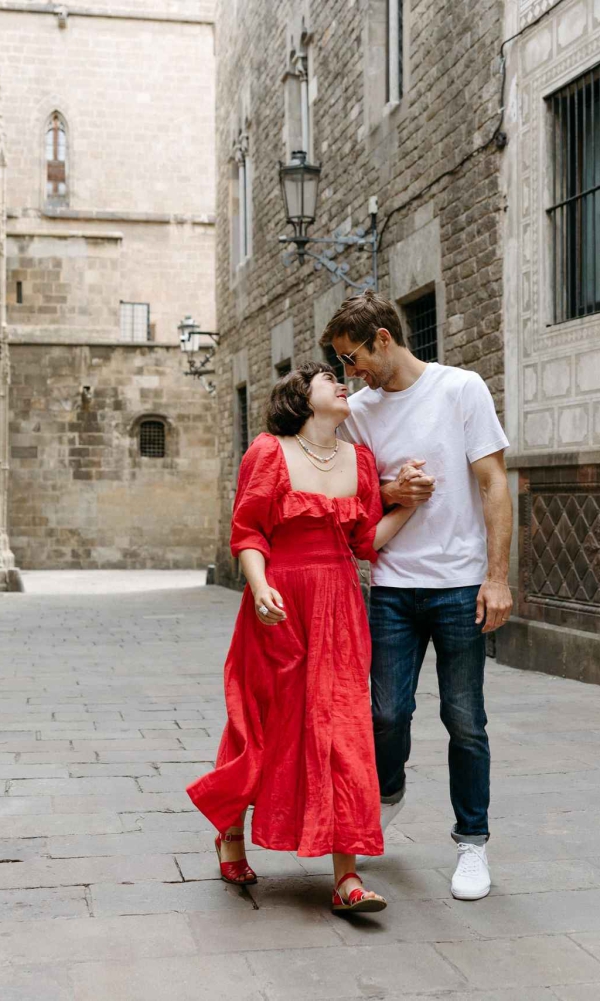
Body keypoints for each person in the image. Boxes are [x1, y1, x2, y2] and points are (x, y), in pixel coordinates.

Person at [188, 362, 420, 914]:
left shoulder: (359, 460)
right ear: (301, 396)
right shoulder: (268, 452)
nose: (342, 384)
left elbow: (365, 540)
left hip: (340, 605)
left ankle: (346, 877)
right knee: (264, 721)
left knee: (344, 727)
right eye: (327, 379)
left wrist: (409, 504)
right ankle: (230, 835)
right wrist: (259, 587)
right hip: (279, 602)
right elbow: (248, 531)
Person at [320, 291, 513, 902]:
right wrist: (391, 490)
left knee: (465, 719)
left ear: (383, 339)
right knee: (384, 713)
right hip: (392, 587)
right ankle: (389, 790)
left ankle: (472, 843)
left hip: (460, 584)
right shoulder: (359, 412)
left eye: (352, 357)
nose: (350, 372)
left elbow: (494, 482)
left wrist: (497, 577)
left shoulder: (461, 389)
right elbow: (349, 491)